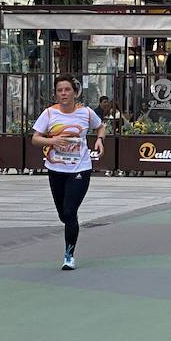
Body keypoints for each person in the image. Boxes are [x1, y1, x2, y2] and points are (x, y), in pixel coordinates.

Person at [30, 76, 105, 270]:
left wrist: (99, 140)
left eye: (67, 90)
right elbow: (35, 139)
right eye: (60, 90)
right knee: (63, 214)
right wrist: (52, 141)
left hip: (80, 168)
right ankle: (70, 225)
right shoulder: (49, 113)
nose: (63, 93)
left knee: (70, 211)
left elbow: (100, 126)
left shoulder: (86, 113)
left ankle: (69, 255)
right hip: (56, 168)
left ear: (75, 92)